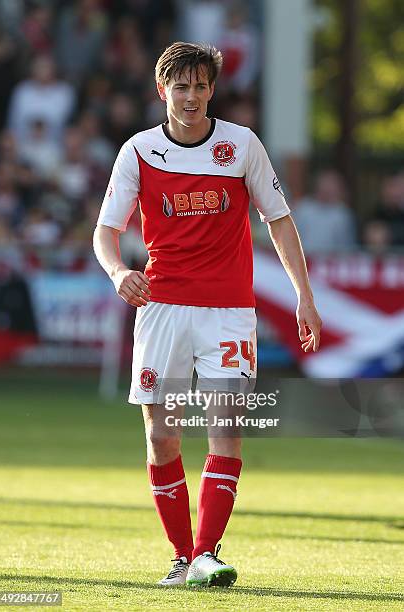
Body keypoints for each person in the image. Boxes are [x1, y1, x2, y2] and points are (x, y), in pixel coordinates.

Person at [93, 42, 321, 588]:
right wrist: (119, 272)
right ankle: (180, 556)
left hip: (228, 312)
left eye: (200, 86)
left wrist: (304, 297)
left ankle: (206, 553)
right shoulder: (140, 152)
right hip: (162, 307)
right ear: (162, 90)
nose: (191, 97)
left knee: (226, 428)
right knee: (162, 436)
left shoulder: (241, 146)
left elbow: (280, 221)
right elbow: (106, 231)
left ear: (212, 90)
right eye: (181, 86)